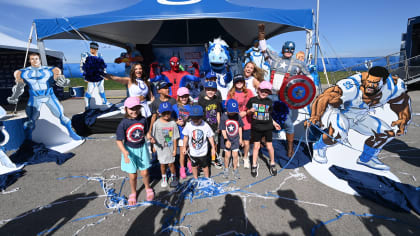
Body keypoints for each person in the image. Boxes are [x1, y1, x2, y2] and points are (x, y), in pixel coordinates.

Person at [305, 66, 411, 171]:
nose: (370, 85)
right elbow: (324, 98)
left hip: (360, 115)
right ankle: (319, 147)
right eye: (369, 81)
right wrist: (316, 116)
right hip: (339, 111)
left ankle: (366, 158)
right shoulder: (351, 86)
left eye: (375, 83)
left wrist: (404, 119)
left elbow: (402, 102)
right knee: (339, 134)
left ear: (383, 83)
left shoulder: (393, 87)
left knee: (387, 134)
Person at [258, 23, 311, 157]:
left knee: (287, 122)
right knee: (262, 118)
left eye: (291, 49)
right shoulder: (274, 58)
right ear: (283, 49)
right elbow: (263, 48)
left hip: (284, 98)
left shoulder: (299, 64)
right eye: (286, 48)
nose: (288, 51)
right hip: (269, 95)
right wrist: (262, 34)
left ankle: (290, 148)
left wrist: (304, 93)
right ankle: (262, 140)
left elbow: (308, 80)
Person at [7, 53, 82, 141]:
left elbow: (59, 79)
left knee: (61, 115)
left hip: (49, 95)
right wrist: (15, 96)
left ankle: (71, 133)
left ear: (40, 59)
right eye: (32, 59)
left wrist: (64, 82)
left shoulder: (51, 70)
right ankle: (28, 140)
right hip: (35, 97)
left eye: (36, 58)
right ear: (29, 60)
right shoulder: (22, 72)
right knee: (31, 120)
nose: (34, 61)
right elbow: (20, 85)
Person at [116, 97, 154, 205]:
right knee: (133, 175)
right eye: (132, 108)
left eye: (137, 108)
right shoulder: (123, 123)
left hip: (142, 149)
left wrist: (149, 137)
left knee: (145, 172)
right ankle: (133, 192)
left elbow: (145, 132)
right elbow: (119, 140)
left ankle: (147, 188)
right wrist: (124, 152)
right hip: (130, 151)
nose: (134, 111)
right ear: (126, 109)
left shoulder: (143, 120)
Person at [246, 81, 281, 177]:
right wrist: (250, 111)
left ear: (269, 93)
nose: (264, 93)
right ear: (258, 90)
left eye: (266, 91)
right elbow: (247, 112)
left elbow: (268, 115)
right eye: (262, 90)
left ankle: (272, 163)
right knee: (256, 147)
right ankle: (254, 164)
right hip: (256, 128)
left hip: (268, 127)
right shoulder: (252, 100)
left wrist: (274, 123)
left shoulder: (269, 101)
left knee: (269, 146)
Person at [182, 105, 216, 179]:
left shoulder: (205, 125)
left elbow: (210, 137)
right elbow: (186, 136)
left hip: (203, 152)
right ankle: (195, 178)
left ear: (202, 117)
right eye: (194, 118)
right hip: (193, 152)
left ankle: (207, 178)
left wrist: (213, 148)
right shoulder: (188, 125)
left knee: (205, 166)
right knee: (194, 166)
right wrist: (184, 147)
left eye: (198, 118)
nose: (196, 120)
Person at [226, 75, 253, 169]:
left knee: (246, 142)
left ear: (244, 82)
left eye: (241, 81)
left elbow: (252, 106)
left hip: (246, 120)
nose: (239, 83)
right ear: (234, 83)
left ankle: (246, 158)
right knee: (235, 141)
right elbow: (227, 107)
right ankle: (235, 158)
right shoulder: (231, 93)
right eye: (237, 81)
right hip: (234, 120)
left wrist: (246, 112)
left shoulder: (249, 92)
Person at [151, 102, 180, 188]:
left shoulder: (173, 123)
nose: (166, 115)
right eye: (164, 113)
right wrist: (153, 146)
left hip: (170, 148)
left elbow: (175, 137)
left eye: (168, 112)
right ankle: (164, 177)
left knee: (171, 164)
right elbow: (153, 137)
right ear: (160, 113)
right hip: (161, 149)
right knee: (162, 165)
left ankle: (173, 176)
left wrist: (175, 149)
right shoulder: (156, 123)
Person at [198, 81, 223, 169]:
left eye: (212, 90)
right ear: (205, 90)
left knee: (214, 144)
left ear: (215, 90)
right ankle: (203, 161)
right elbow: (199, 114)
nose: (210, 92)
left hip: (214, 126)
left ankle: (213, 159)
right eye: (208, 90)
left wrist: (219, 125)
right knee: (204, 144)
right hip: (204, 126)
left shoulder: (217, 100)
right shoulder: (201, 101)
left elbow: (218, 114)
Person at [80, 41, 110, 109]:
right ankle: (87, 105)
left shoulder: (99, 55)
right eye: (91, 48)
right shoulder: (86, 55)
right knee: (90, 90)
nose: (92, 49)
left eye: (93, 48)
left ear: (96, 49)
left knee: (101, 89)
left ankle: (104, 101)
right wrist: (84, 76)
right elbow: (82, 66)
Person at [172, 87, 193, 179]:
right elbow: (170, 118)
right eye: (182, 97)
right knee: (182, 153)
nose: (184, 98)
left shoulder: (191, 106)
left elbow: (193, 119)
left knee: (189, 150)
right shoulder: (175, 107)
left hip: (190, 134)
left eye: (186, 96)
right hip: (181, 134)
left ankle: (189, 164)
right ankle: (182, 168)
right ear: (178, 97)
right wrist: (176, 122)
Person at [220, 99, 243, 179]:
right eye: (231, 111)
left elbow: (240, 127)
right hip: (227, 139)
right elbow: (223, 129)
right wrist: (226, 139)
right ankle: (226, 169)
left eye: (234, 111)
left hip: (236, 139)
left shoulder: (237, 116)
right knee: (227, 155)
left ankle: (235, 169)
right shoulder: (224, 116)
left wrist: (241, 138)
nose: (233, 113)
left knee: (235, 155)